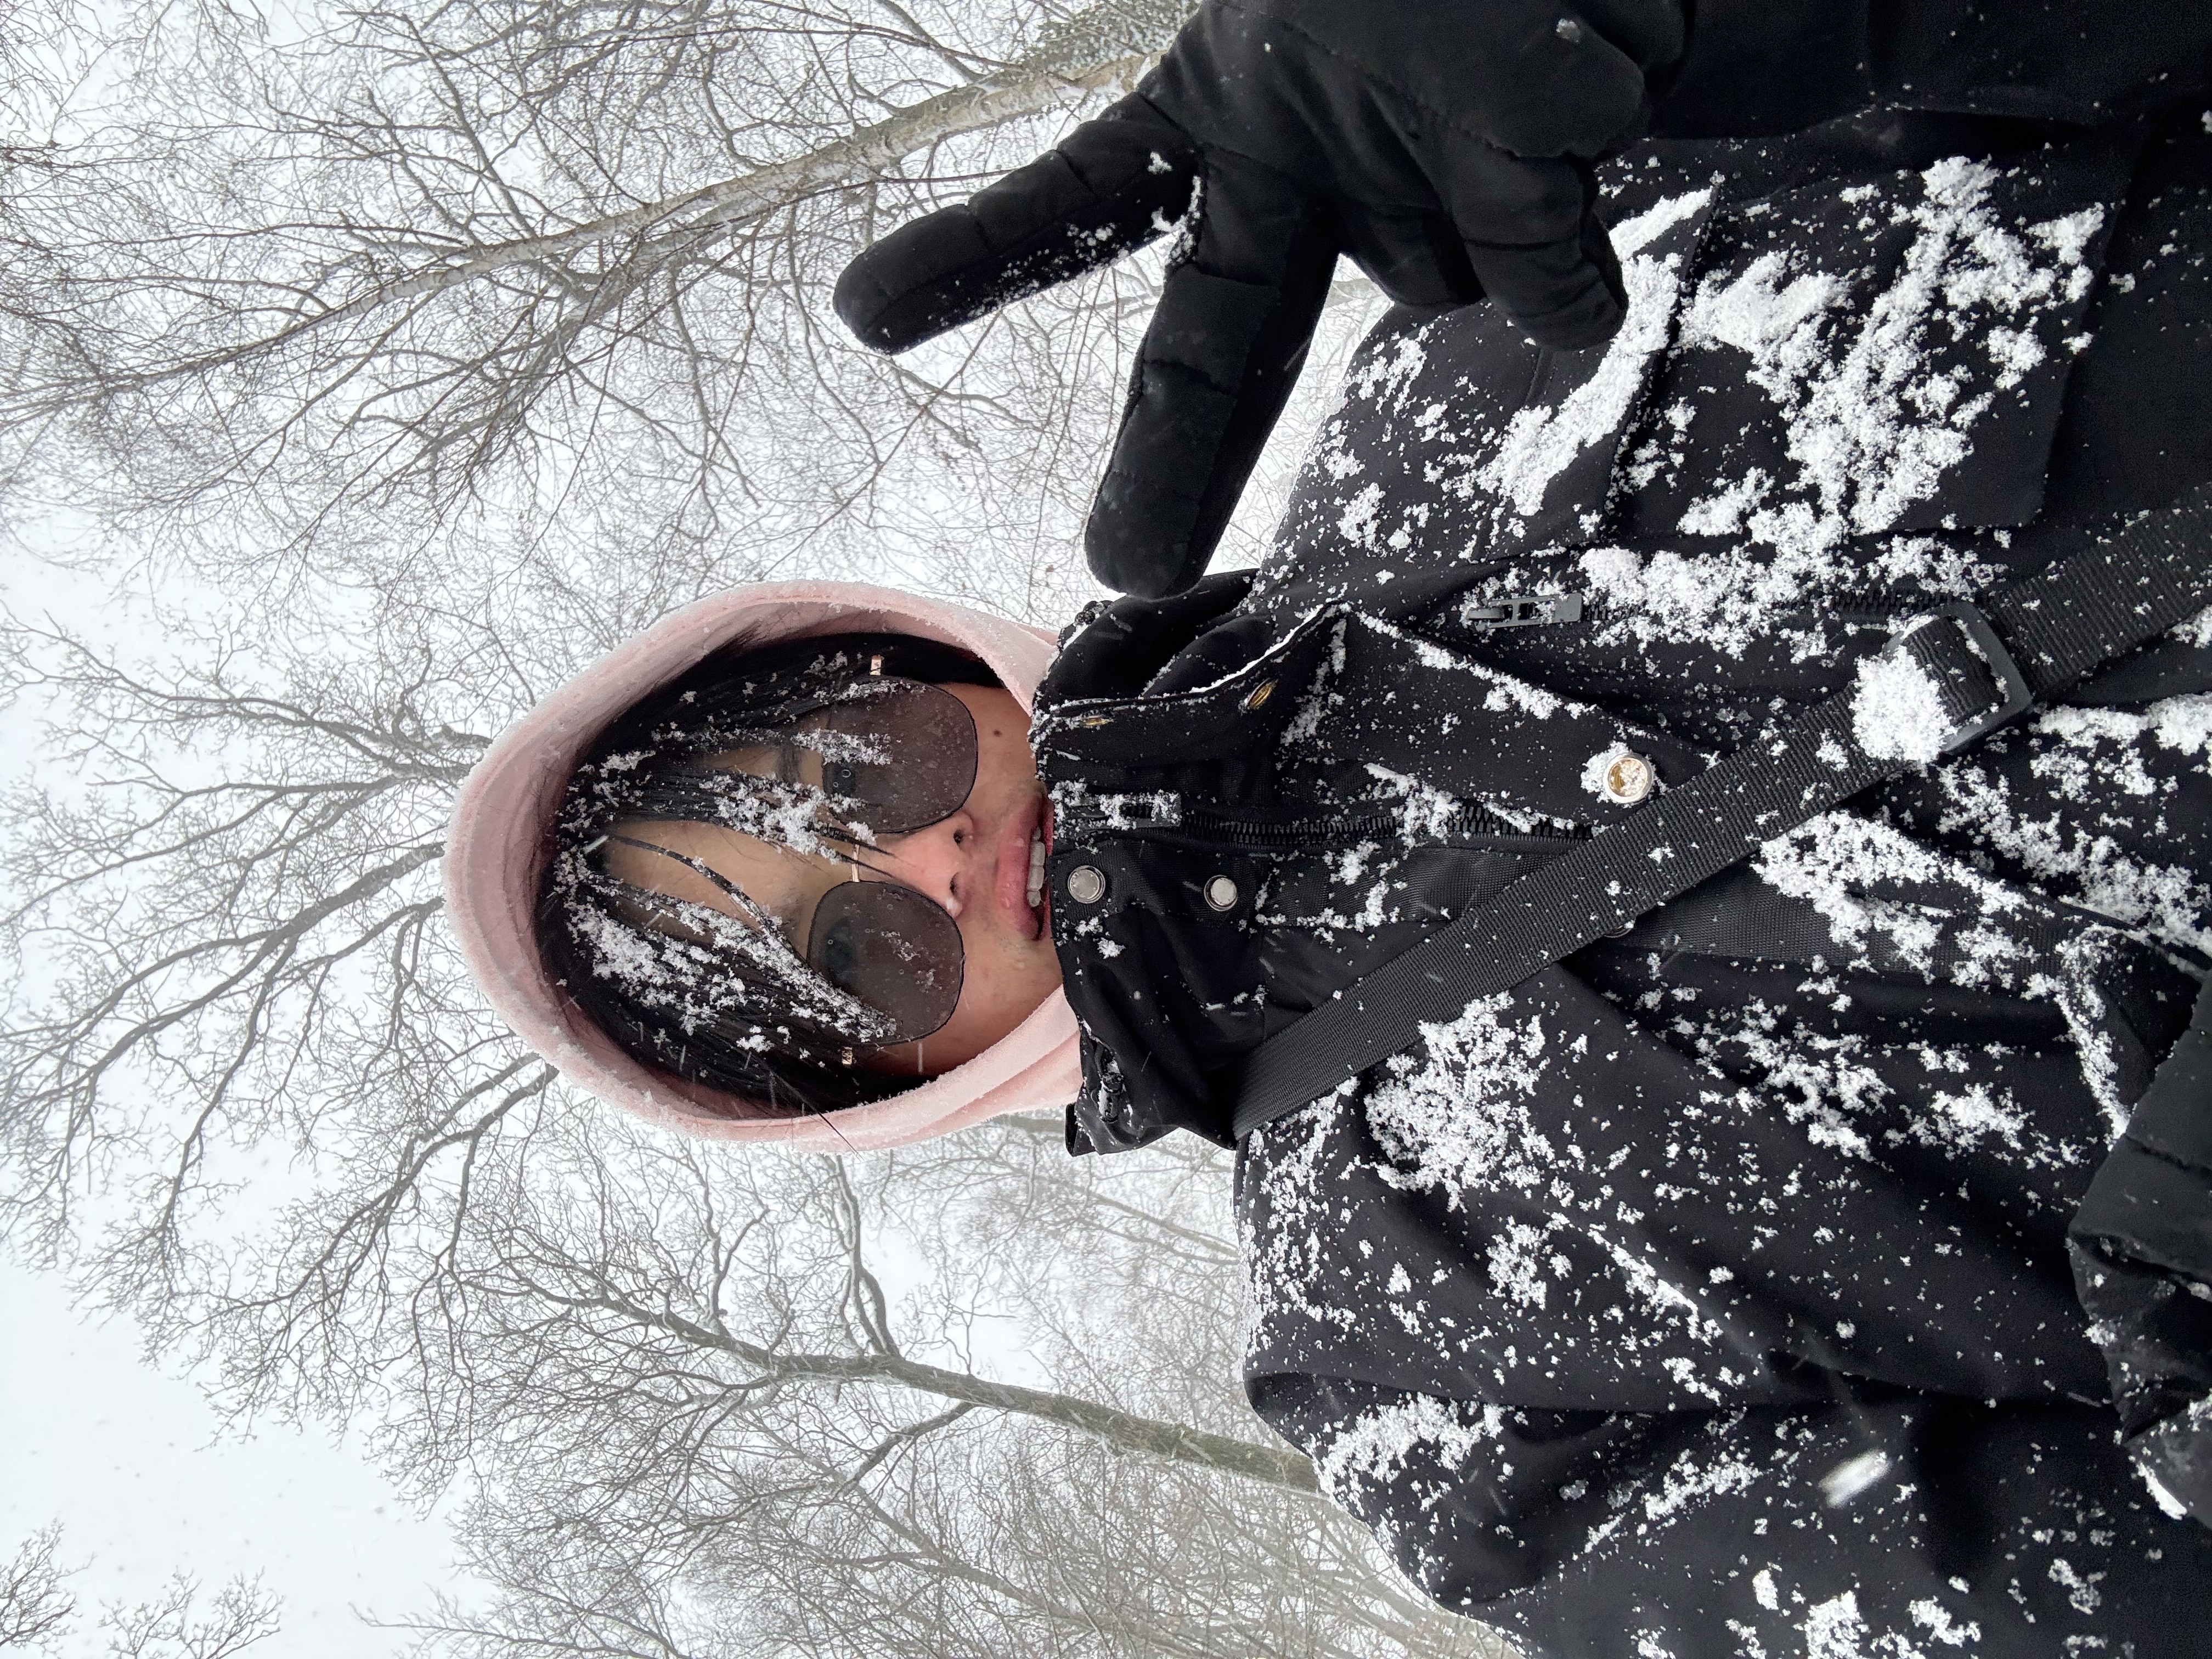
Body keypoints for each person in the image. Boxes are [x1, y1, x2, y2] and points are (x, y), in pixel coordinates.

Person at [443, 1, 2212, 1652]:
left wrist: (1708, 21)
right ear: (902, 1081)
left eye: (855, 773)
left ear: (896, 667)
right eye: (861, 955)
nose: (927, 863)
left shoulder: (1443, 399)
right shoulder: (1425, 1378)